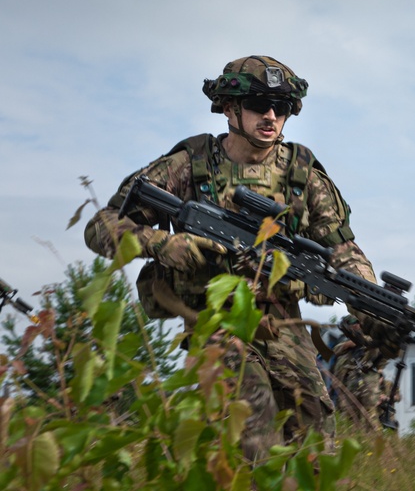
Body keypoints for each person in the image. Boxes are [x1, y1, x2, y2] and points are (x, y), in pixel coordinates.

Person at [84, 55, 382, 463]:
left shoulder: (302, 173)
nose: (271, 115)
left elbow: (342, 249)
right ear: (229, 108)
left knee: (316, 436)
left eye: (282, 107)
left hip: (282, 318)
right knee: (249, 420)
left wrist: (371, 298)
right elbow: (101, 227)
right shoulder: (190, 165)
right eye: (260, 103)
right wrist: (162, 243)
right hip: (215, 316)